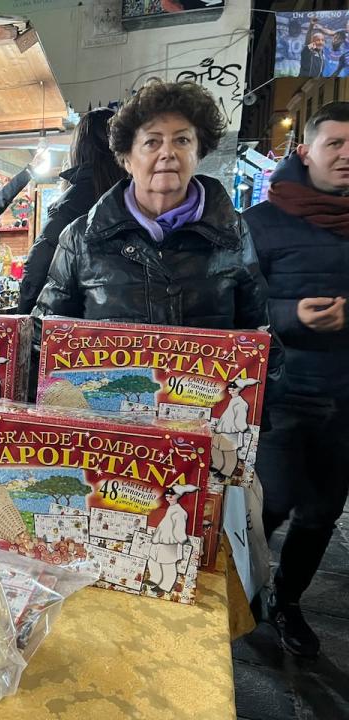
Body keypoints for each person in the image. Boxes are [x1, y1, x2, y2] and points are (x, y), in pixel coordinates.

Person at [31, 81, 284, 396]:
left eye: (182, 140)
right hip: (109, 434)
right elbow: (43, 341)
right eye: (152, 142)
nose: (168, 152)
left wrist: (246, 422)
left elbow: (260, 338)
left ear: (199, 151)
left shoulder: (232, 233)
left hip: (202, 430)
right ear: (126, 158)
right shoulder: (81, 238)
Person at [242, 101, 349, 658]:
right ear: (306, 151)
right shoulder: (263, 222)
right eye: (335, 144)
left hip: (345, 398)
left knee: (323, 511)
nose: (346, 157)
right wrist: (289, 315)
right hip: (284, 393)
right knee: (271, 502)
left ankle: (290, 602)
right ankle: (242, 598)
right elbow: (239, 303)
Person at [18, 107, 127, 313]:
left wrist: (23, 321)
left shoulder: (72, 202)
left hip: (74, 328)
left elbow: (36, 269)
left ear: (78, 148)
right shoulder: (136, 197)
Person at [147, 483, 198, 595]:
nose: (168, 498)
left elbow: (179, 528)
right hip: (160, 540)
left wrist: (182, 539)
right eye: (167, 496)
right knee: (153, 560)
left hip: (169, 542)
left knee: (168, 564)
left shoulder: (179, 512)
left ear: (177, 496)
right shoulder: (171, 508)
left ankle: (165, 585)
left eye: (171, 496)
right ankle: (155, 578)